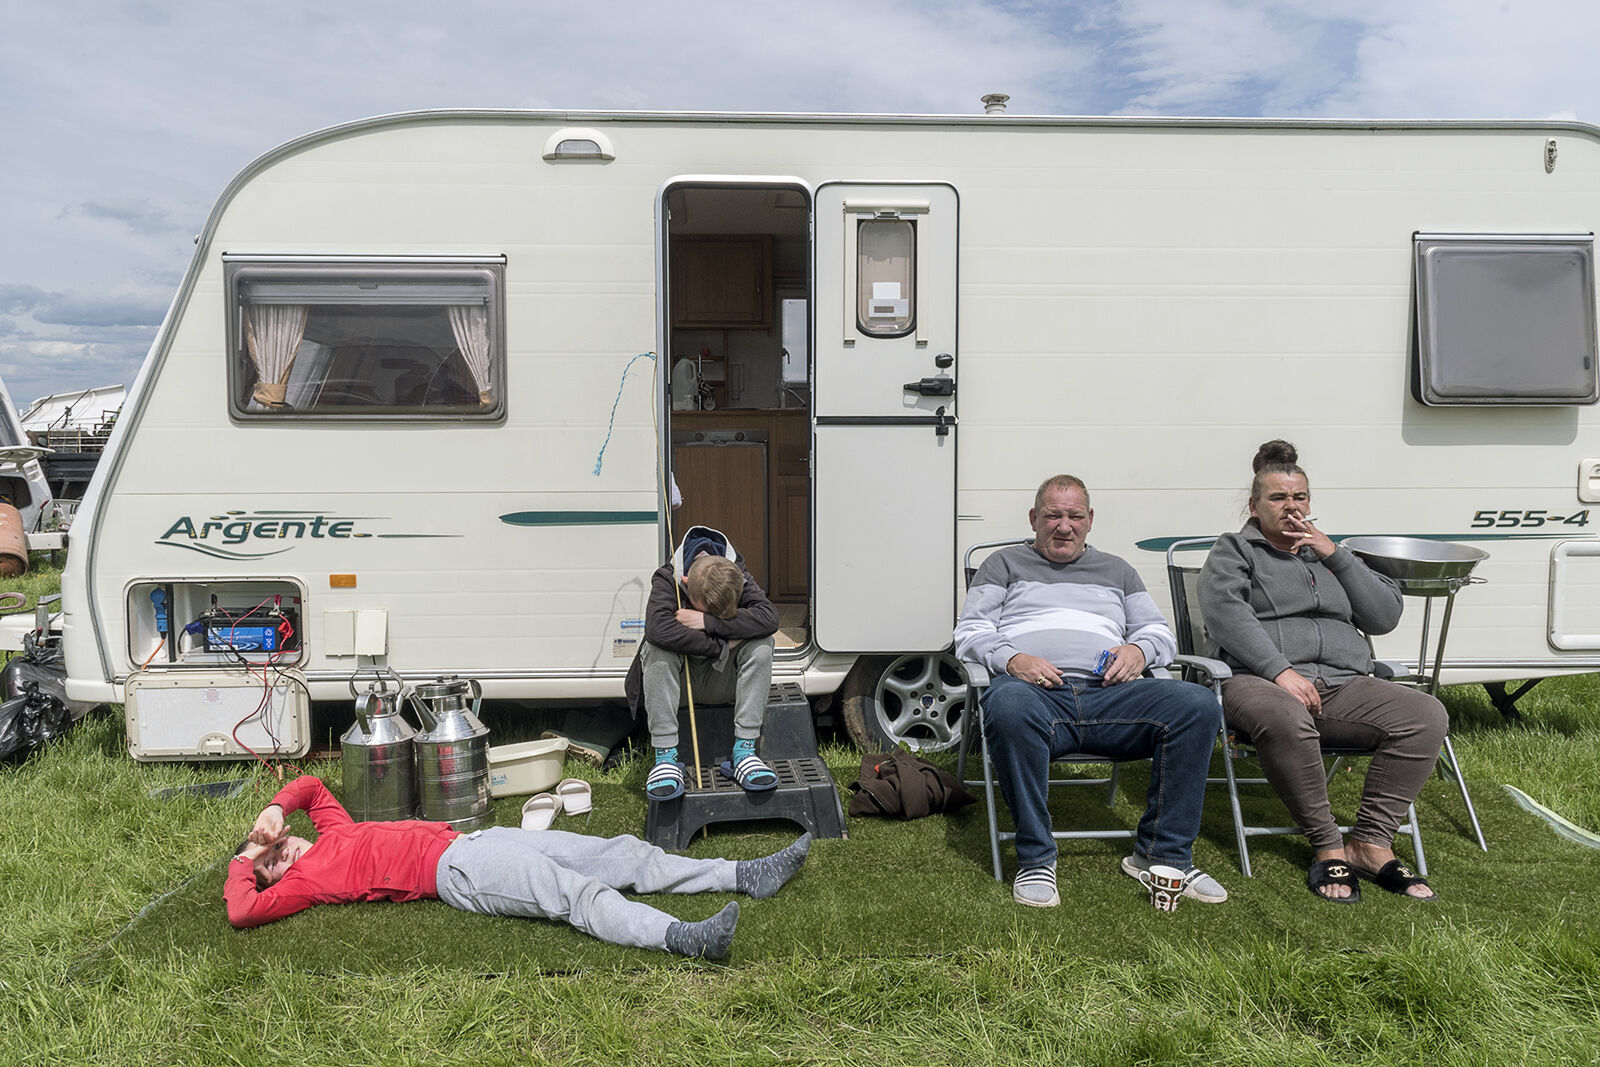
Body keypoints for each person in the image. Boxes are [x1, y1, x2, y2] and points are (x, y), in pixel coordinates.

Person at [953, 475, 1228, 909]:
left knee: (1196, 704)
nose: (1064, 526)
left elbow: (1159, 633)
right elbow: (970, 631)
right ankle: (1036, 856)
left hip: (1111, 696)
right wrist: (1013, 660)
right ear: (1034, 518)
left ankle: (1163, 854)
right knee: (1006, 702)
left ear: (1090, 520)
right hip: (1038, 694)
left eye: (1074, 516)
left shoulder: (1119, 570)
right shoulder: (1002, 565)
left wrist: (1139, 650)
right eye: (1053, 515)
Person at [1197, 440, 1447, 903]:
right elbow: (1225, 615)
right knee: (1286, 716)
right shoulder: (1235, 550)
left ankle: (1371, 841)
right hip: (1255, 680)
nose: (1291, 507)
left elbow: (1383, 616)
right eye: (1278, 498)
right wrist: (1280, 672)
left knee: (1426, 714)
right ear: (1254, 506)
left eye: (1300, 497)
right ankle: (1327, 844)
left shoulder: (1334, 554)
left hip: (1342, 683)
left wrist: (1335, 554)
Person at [225, 775, 811, 959]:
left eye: (280, 846)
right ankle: (683, 937)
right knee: (572, 892)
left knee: (620, 852)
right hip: (458, 875)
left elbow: (309, 785)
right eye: (273, 862)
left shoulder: (334, 829)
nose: (282, 854)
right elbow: (243, 910)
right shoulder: (301, 884)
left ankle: (740, 874)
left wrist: (274, 812)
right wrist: (246, 859)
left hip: (476, 839)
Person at [624, 524, 780, 800]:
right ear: (685, 581)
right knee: (655, 649)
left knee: (762, 645)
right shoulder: (667, 577)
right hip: (680, 687)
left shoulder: (734, 573)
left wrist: (706, 621)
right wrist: (722, 643)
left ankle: (744, 753)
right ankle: (666, 758)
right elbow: (658, 630)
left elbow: (769, 619)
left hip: (723, 681)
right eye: (701, 609)